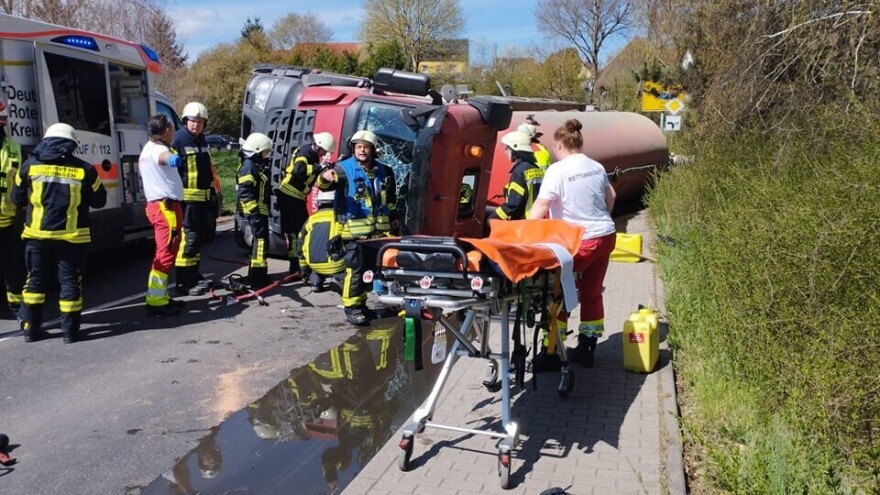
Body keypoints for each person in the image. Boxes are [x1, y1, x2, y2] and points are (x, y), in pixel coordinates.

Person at [528, 118, 616, 368]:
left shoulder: (558, 170)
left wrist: (522, 231)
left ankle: (552, 352)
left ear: (558, 146)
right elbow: (612, 197)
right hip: (605, 237)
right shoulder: (596, 166)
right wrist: (600, 220)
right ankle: (587, 347)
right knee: (591, 291)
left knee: (557, 292)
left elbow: (542, 205)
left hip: (578, 241)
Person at [13, 123, 107, 343]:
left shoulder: (29, 166)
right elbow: (99, 200)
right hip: (72, 238)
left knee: (35, 282)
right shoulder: (85, 169)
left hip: (37, 236)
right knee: (70, 282)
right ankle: (70, 332)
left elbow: (16, 199)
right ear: (72, 144)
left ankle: (31, 330)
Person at [316, 130, 398, 326]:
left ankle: (362, 306)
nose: (361, 150)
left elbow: (390, 200)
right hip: (353, 233)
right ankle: (352, 308)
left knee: (368, 271)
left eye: (365, 146)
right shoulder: (343, 169)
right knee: (355, 271)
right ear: (353, 149)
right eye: (358, 146)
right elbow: (323, 184)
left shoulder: (384, 171)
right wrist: (325, 177)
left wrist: (394, 218)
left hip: (377, 234)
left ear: (373, 149)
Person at [139, 115, 186, 316]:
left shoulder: (147, 148)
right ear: (166, 130)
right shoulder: (159, 150)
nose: (173, 132)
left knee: (164, 251)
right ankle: (157, 299)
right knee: (166, 252)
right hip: (165, 208)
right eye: (171, 128)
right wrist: (174, 159)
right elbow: (164, 158)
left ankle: (159, 295)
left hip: (160, 207)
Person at [277, 132, 336, 274]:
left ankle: (296, 267)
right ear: (319, 146)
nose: (323, 155)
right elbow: (299, 170)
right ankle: (297, 266)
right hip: (289, 195)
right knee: (299, 232)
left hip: (295, 197)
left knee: (297, 232)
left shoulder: (311, 154)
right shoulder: (305, 152)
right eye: (323, 152)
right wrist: (318, 167)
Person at [171, 101, 214, 296]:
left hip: (201, 201)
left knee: (197, 241)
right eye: (192, 121)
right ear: (185, 121)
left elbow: (206, 170)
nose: (196, 125)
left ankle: (194, 275)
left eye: (200, 121)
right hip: (186, 202)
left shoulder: (202, 140)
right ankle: (183, 283)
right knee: (188, 242)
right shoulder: (178, 140)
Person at [237, 132, 274, 287]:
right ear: (257, 150)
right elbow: (245, 192)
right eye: (265, 152)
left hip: (259, 211)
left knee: (261, 243)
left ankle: (259, 274)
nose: (266, 155)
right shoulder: (248, 167)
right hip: (255, 212)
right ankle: (257, 278)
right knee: (259, 244)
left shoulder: (254, 166)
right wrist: (255, 212)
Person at [0, 100, 25, 319]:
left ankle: (18, 309)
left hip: (8, 221)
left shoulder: (14, 148)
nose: (4, 122)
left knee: (13, 268)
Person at [487, 130, 544, 221]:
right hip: (536, 222)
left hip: (522, 224)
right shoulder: (536, 169)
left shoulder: (519, 172)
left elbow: (513, 204)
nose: (505, 152)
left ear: (515, 149)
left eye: (507, 148)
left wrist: (493, 218)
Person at [298, 190, 345, 291]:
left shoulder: (311, 219)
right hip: (337, 265)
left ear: (319, 203)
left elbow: (300, 245)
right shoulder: (340, 217)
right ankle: (338, 278)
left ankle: (315, 281)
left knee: (317, 270)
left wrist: (304, 271)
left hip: (314, 265)